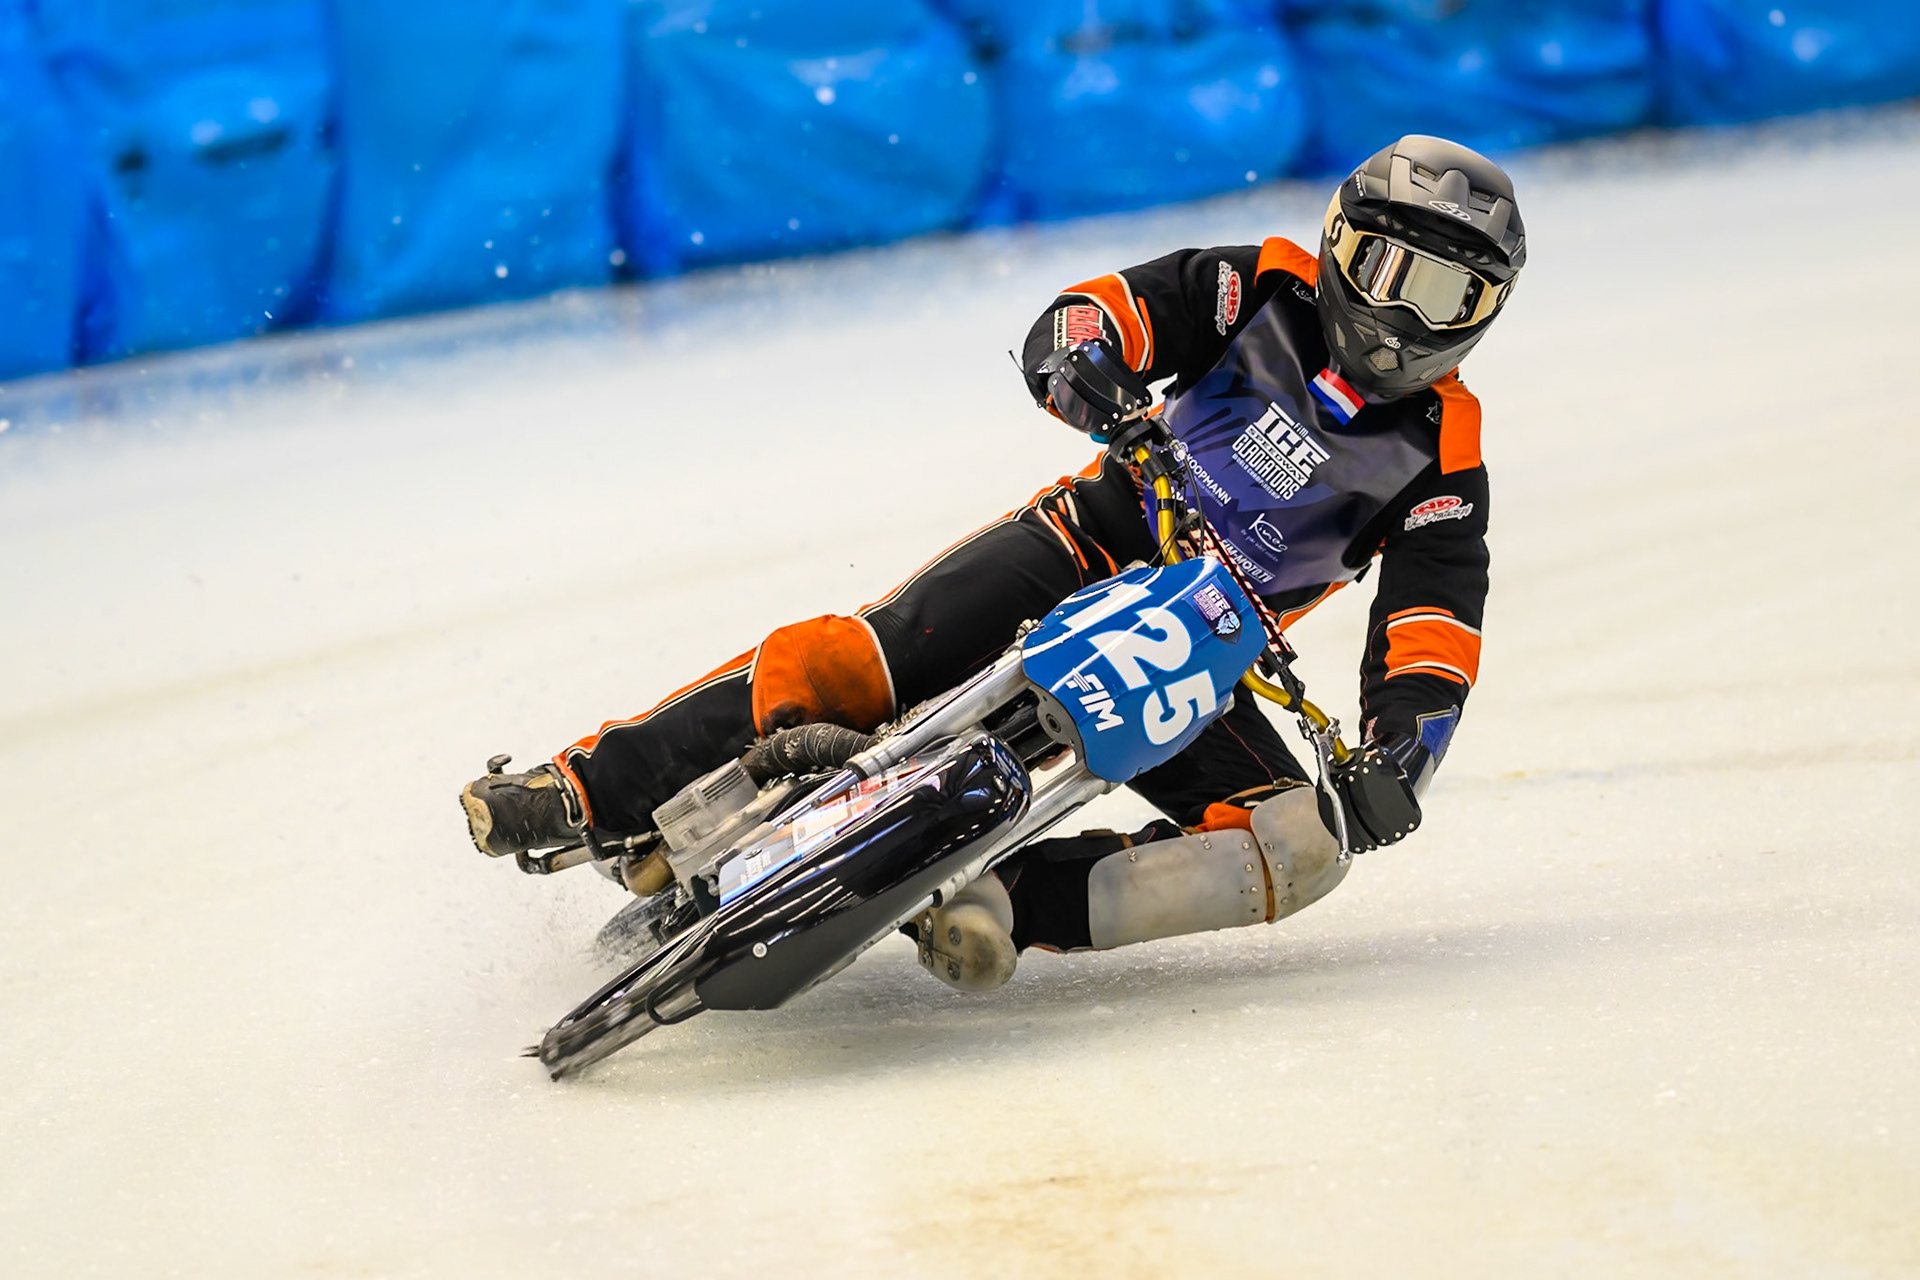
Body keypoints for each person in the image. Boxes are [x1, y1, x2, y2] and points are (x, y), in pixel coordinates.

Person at [461, 134, 1525, 991]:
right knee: (856, 667)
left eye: (1453, 299)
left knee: (1301, 845)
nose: (1405, 322)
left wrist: (1397, 758)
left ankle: (1007, 906)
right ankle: (583, 790)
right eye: (1395, 273)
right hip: (1081, 544)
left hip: (1199, 653)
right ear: (1340, 243)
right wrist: (1093, 379)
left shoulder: (1446, 456)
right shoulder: (1256, 288)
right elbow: (1088, 319)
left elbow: (1434, 628)